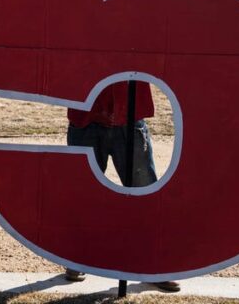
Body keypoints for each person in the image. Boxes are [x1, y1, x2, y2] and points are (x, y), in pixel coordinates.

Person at [61, 81, 180, 293]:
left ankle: (154, 264)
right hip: (85, 118)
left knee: (145, 193)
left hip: (129, 117)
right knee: (82, 195)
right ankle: (76, 257)